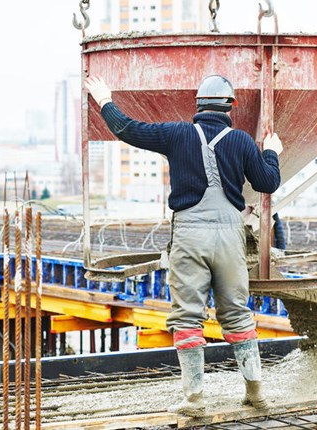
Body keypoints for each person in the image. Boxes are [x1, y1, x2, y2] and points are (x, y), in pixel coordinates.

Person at [85, 74, 282, 415]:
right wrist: (273, 153)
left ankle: (195, 400)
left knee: (188, 316)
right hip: (229, 237)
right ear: (230, 107)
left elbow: (127, 129)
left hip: (190, 235)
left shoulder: (177, 134)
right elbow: (268, 182)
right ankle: (256, 394)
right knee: (237, 313)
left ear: (197, 106)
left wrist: (103, 98)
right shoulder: (242, 141)